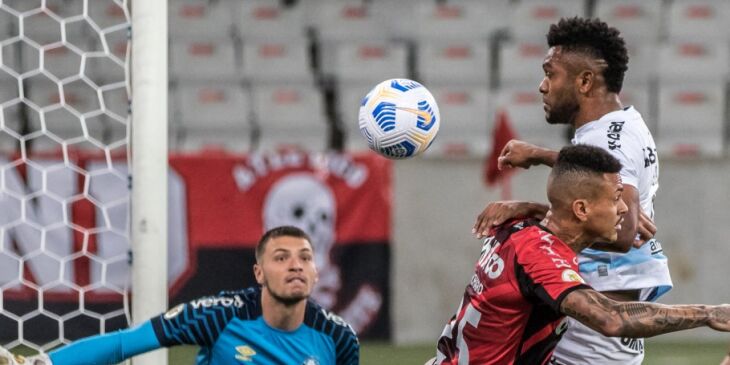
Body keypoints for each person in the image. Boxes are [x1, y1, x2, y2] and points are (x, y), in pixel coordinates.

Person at [472, 17, 673, 364]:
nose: (542, 86)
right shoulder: (620, 127)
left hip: (592, 339)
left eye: (551, 73)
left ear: (584, 81)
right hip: (596, 329)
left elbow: (621, 231)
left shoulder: (609, 139)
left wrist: (530, 208)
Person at [429, 145, 730, 365]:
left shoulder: (519, 229)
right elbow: (611, 319)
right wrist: (709, 313)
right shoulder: (540, 256)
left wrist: (528, 204)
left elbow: (561, 217)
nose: (624, 209)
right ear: (582, 209)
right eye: (616, 200)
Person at [0, 226, 359, 365]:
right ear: (259, 273)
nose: (295, 265)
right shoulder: (219, 315)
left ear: (316, 273)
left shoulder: (338, 338)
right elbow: (127, 343)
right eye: (281, 258)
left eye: (305, 258)